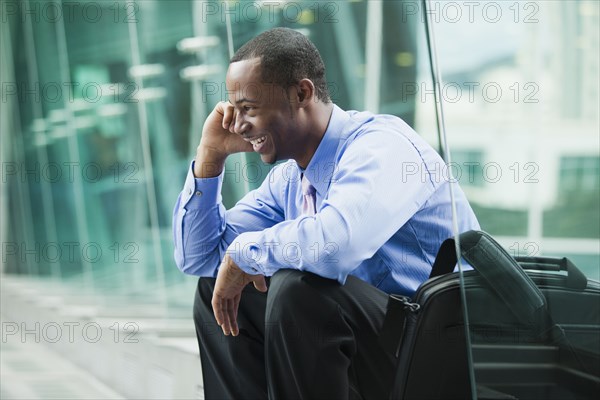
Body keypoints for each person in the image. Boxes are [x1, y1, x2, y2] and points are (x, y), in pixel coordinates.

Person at [173, 27, 479, 400]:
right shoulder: (288, 180)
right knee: (215, 288)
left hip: (439, 355)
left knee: (297, 289)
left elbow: (335, 247)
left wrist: (245, 253)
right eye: (233, 111)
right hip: (381, 351)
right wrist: (209, 158)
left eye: (248, 108)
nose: (236, 125)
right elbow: (200, 257)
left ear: (301, 93)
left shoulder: (382, 147)